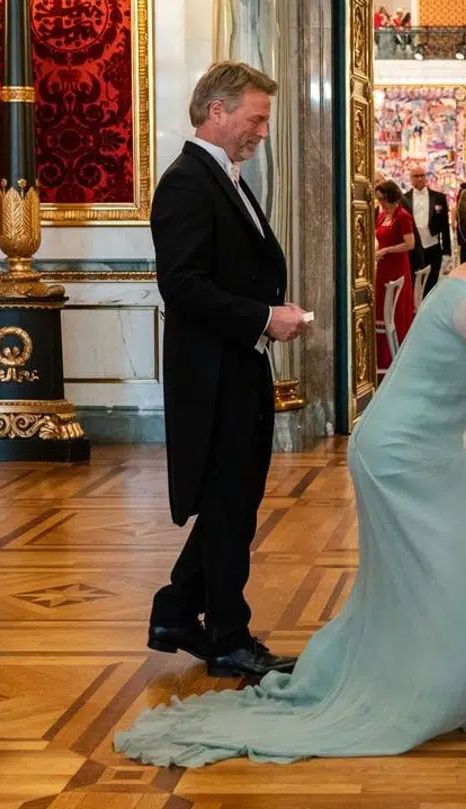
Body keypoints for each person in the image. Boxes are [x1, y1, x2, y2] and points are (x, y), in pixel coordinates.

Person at [114, 180, 466, 767]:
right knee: (447, 575)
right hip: (400, 459)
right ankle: (432, 686)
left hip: (420, 449)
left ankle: (465, 673)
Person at [148, 62, 307, 678]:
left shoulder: (221, 176)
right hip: (212, 378)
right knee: (229, 506)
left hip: (237, 367)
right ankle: (229, 640)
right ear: (217, 111)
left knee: (232, 502)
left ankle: (176, 613)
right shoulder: (187, 183)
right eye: (256, 118)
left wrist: (266, 317)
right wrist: (264, 317)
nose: (262, 131)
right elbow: (182, 285)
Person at [374, 179, 417, 371]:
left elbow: (410, 244)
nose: (380, 203)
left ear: (390, 197)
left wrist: (387, 250)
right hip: (383, 266)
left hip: (397, 266)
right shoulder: (382, 215)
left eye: (382, 199)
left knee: (395, 309)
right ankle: (382, 355)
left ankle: (397, 353)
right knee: (381, 308)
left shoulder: (402, 216)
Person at [406, 165, 453, 295]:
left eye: (422, 175)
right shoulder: (405, 199)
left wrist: (447, 252)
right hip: (413, 249)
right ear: (411, 178)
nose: (419, 179)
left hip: (433, 247)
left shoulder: (439, 197)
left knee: (432, 285)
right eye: (416, 176)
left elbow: (445, 226)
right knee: (414, 285)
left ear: (426, 177)